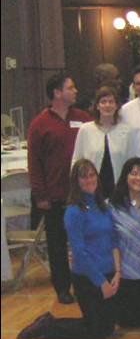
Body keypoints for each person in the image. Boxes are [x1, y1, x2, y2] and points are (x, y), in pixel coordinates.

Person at [18, 160, 119, 339]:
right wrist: (101, 282)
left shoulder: (104, 207)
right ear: (76, 182)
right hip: (88, 278)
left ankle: (58, 324)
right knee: (95, 333)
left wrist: (117, 273)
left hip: (109, 274)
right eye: (84, 177)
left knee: (107, 328)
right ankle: (48, 327)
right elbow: (79, 252)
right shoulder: (73, 212)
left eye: (91, 175)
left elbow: (113, 240)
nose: (89, 180)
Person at [27, 73, 93, 304]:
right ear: (57, 92)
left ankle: (86, 283)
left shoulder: (83, 118)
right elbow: (34, 162)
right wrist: (40, 195)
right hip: (55, 195)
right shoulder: (39, 124)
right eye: (71, 88)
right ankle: (63, 288)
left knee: (84, 240)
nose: (76, 91)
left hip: (82, 193)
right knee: (57, 245)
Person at [72, 86, 140, 198]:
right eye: (103, 102)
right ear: (97, 106)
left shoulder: (127, 131)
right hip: (91, 189)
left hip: (118, 190)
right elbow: (76, 160)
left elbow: (131, 162)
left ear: (117, 106)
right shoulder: (85, 130)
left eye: (111, 102)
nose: (107, 105)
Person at [109, 158, 140, 327]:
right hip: (125, 278)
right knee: (129, 324)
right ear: (125, 177)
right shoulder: (113, 207)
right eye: (134, 173)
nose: (138, 178)